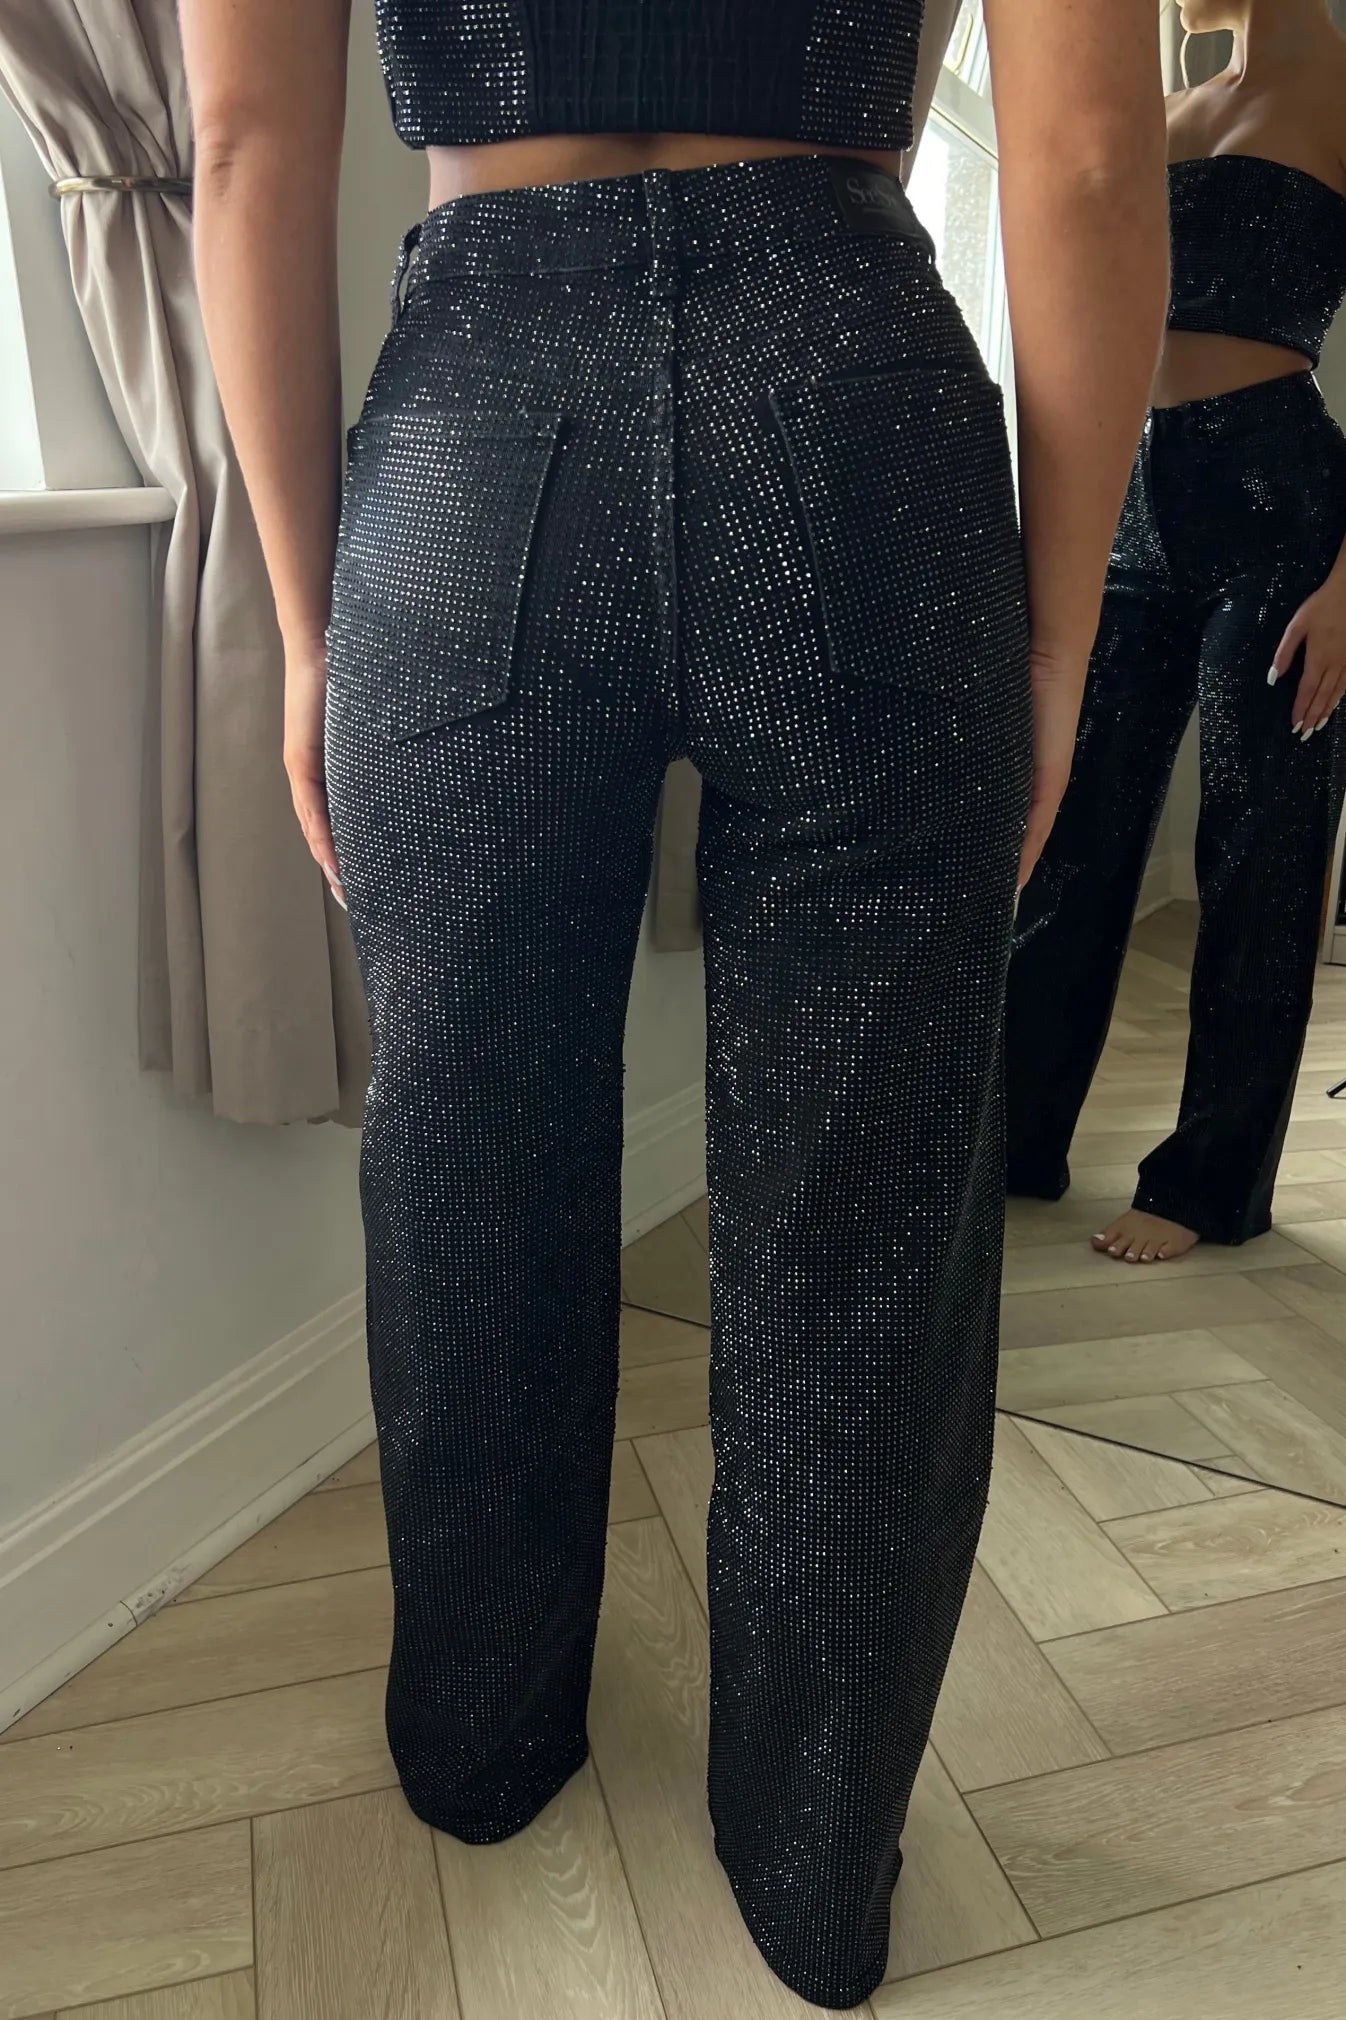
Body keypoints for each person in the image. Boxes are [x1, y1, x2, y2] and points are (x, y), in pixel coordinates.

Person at [179, 0, 1166, 2003]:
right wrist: (1058, 644)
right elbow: (1079, 159)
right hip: (856, 411)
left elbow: (245, 148)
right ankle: (814, 1867)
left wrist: (304, 628)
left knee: (471, 1166)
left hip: (477, 435)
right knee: (863, 1213)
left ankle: (481, 1744)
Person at [1007, 0, 1346, 1266]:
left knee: (1258, 850)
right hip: (1130, 496)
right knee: (1071, 831)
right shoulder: (1164, 111)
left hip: (1281, 504)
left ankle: (1206, 1184)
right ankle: (1012, 1133)